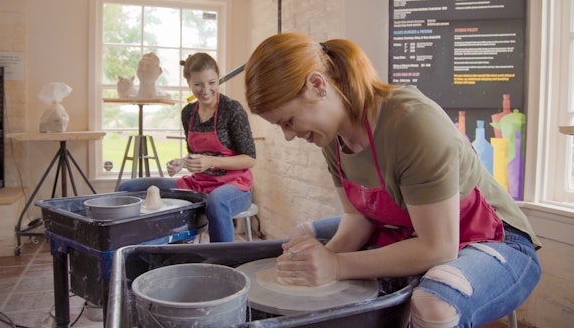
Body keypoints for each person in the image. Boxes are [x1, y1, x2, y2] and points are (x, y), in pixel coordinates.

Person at [243, 33, 541, 328]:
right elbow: (357, 217)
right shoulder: (332, 139)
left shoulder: (413, 122)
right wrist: (318, 262)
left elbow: (438, 248)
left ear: (317, 85)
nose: (289, 135)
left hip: (495, 238)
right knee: (302, 241)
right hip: (408, 227)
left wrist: (335, 266)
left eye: (288, 121)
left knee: (433, 305)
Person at [118, 52, 256, 243]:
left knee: (216, 201)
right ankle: (133, 250)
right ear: (189, 83)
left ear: (218, 79)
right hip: (198, 184)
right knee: (129, 188)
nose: (206, 90)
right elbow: (196, 155)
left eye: (212, 83)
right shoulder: (188, 113)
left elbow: (250, 158)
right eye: (198, 84)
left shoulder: (232, 109)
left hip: (235, 186)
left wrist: (211, 161)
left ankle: (224, 265)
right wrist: (181, 163)